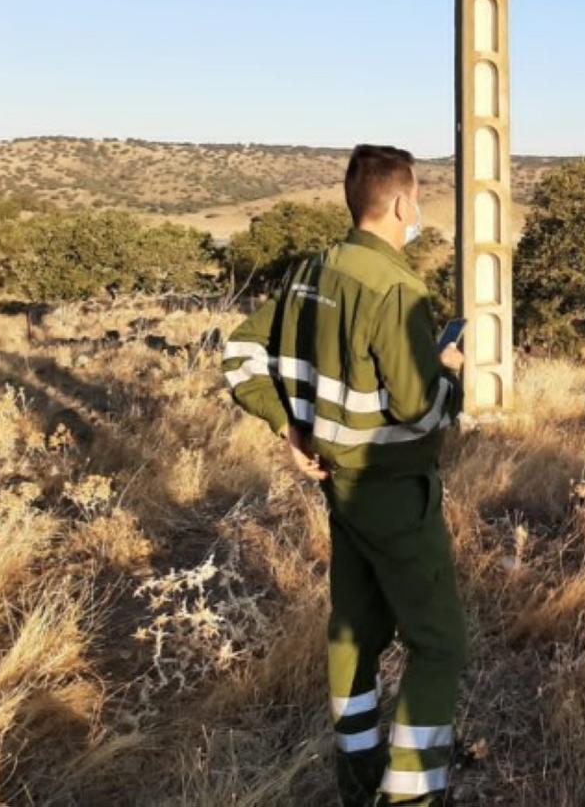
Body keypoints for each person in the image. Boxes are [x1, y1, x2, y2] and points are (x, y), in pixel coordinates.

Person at [221, 144, 466, 806]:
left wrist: (285, 424)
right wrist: (451, 375)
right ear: (399, 203)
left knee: (353, 631)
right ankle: (411, 795)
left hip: (339, 490)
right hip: (392, 492)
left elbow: (240, 348)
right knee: (439, 644)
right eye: (416, 199)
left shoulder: (309, 272)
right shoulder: (396, 288)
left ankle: (358, 777)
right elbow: (419, 409)